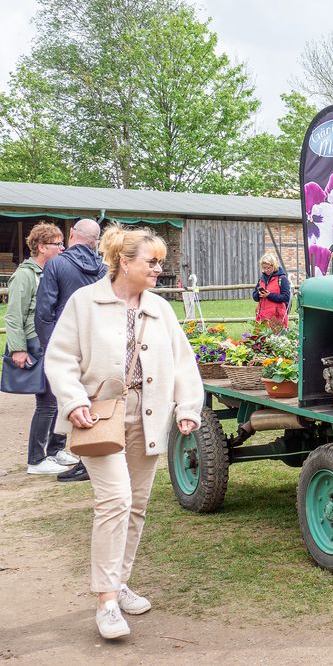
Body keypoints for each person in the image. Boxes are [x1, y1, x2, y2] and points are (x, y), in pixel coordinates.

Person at [44, 224, 203, 640]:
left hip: (148, 417)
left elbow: (183, 362)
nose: (158, 269)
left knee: (136, 505)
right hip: (98, 418)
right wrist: (74, 400)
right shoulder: (85, 303)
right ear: (123, 262)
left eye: (160, 262)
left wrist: (187, 407)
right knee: (114, 501)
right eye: (151, 262)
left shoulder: (160, 309)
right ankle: (106, 601)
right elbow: (60, 358)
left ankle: (119, 582)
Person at [34, 218, 108, 483]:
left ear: (73, 234)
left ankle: (83, 461)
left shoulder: (56, 264)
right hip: (99, 342)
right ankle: (91, 460)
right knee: (96, 399)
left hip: (66, 342)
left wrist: (51, 348)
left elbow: (44, 312)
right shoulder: (103, 267)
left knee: (71, 400)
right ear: (95, 240)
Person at [3, 222, 78, 475]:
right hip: (35, 342)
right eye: (57, 243)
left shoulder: (54, 271)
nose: (62, 247)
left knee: (59, 397)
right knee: (46, 402)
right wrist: (18, 349)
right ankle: (36, 460)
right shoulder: (25, 275)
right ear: (42, 247)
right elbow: (13, 316)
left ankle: (56, 451)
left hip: (54, 341)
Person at [251, 251, 291, 329]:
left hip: (277, 317)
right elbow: (255, 297)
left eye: (268, 268)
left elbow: (286, 297)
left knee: (276, 339)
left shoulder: (282, 279)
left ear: (274, 265)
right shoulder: (261, 280)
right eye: (264, 268)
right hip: (263, 317)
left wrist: (269, 295)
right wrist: (259, 294)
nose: (266, 270)